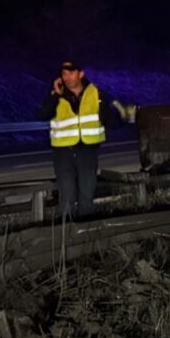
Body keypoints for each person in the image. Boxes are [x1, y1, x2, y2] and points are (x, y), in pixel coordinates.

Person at [43, 61, 128, 220]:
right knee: (67, 197)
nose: (67, 77)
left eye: (71, 73)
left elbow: (109, 119)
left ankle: (86, 233)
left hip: (87, 150)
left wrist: (125, 118)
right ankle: (65, 236)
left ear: (80, 74)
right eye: (64, 74)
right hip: (63, 152)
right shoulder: (56, 95)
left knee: (87, 195)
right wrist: (56, 95)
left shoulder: (95, 93)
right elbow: (42, 114)